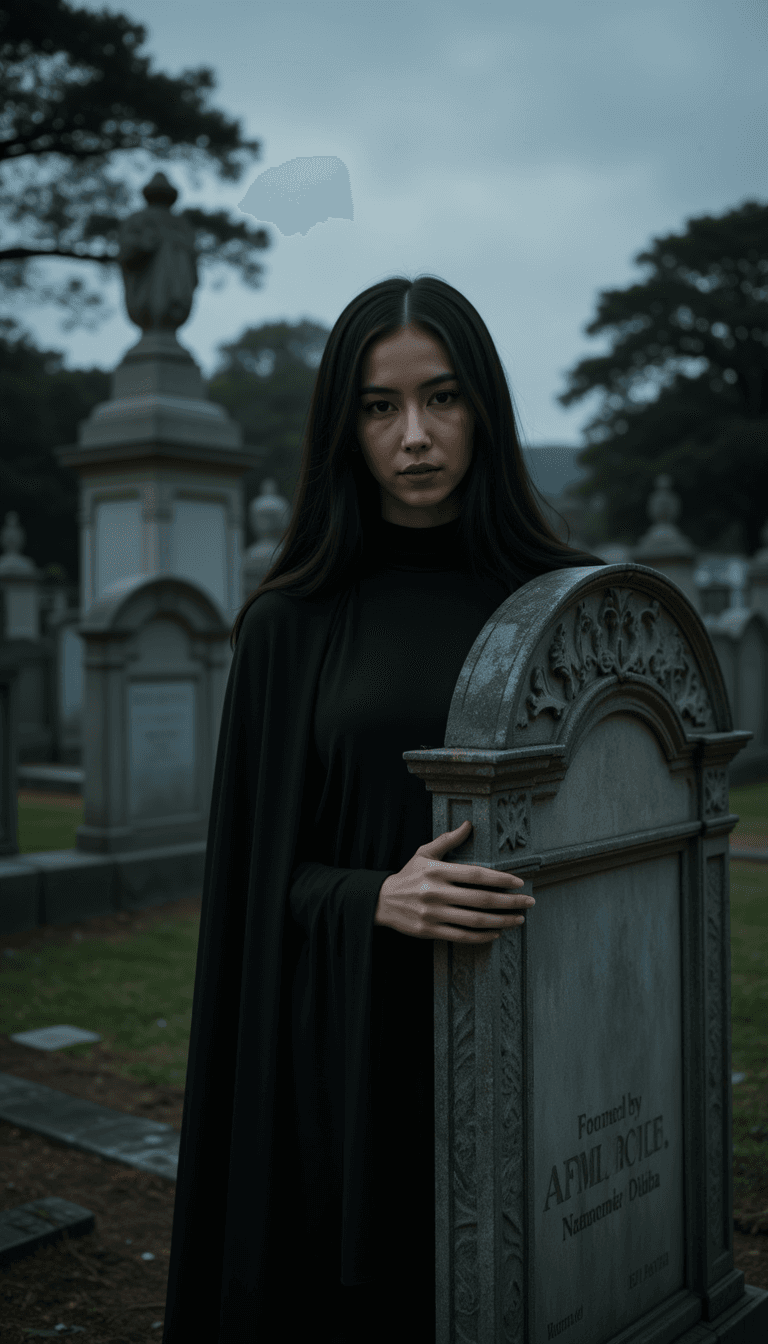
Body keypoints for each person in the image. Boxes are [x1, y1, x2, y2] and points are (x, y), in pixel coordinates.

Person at [161, 275, 607, 1344]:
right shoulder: (290, 624)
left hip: (559, 1031)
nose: (414, 435)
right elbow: (253, 889)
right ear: (343, 427)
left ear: (485, 409)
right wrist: (376, 895)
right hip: (358, 1049)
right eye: (379, 406)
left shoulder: (572, 607)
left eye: (442, 398)